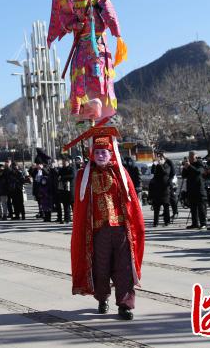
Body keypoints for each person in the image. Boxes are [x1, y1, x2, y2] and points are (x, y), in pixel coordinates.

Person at [71, 128, 144, 320]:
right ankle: (102, 298)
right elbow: (81, 205)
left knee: (124, 268)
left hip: (120, 229)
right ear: (92, 154)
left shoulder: (120, 172)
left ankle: (125, 305)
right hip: (98, 230)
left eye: (104, 152)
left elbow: (131, 201)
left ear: (111, 153)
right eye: (97, 152)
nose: (101, 155)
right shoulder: (83, 175)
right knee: (100, 267)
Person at [47, 0, 126, 122]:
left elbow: (111, 16)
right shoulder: (70, 3)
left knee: (100, 77)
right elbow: (64, 21)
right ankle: (84, 112)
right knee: (80, 78)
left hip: (99, 47)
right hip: (81, 49)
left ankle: (102, 111)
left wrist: (117, 33)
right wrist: (76, 24)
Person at [182, 152, 208, 229]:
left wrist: (189, 166)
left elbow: (198, 172)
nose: (190, 158)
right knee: (193, 207)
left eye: (192, 157)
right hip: (191, 188)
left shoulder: (200, 163)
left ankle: (203, 223)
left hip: (199, 188)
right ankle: (195, 223)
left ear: (196, 157)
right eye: (189, 157)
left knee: (201, 207)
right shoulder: (189, 165)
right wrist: (185, 167)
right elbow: (184, 175)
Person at [149, 153, 172, 227]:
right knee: (156, 207)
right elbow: (152, 171)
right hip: (157, 189)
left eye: (161, 159)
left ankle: (167, 221)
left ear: (164, 160)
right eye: (159, 159)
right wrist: (154, 164)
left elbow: (165, 172)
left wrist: (160, 165)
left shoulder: (167, 166)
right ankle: (155, 222)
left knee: (166, 206)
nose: (160, 160)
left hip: (165, 189)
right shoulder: (156, 166)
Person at [55, 159, 74, 224]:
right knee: (66, 205)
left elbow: (72, 176)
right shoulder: (61, 169)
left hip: (70, 190)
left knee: (73, 206)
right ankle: (67, 219)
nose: (64, 163)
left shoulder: (71, 168)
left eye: (65, 162)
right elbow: (58, 175)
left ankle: (76, 218)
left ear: (68, 162)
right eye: (63, 162)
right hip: (63, 189)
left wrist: (62, 177)